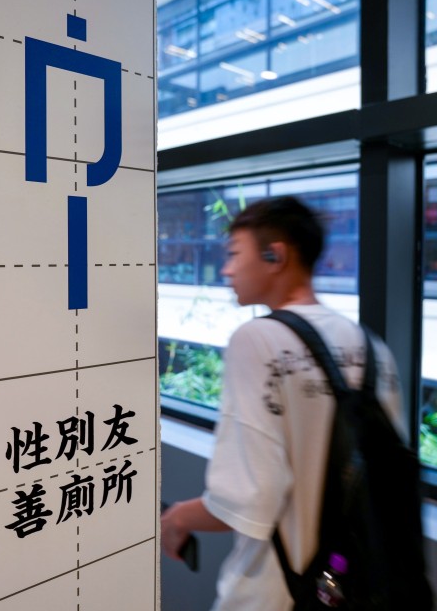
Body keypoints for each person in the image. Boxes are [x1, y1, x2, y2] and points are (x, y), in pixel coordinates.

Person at [160, 196, 406, 611]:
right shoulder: (372, 348)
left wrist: (177, 520)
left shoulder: (258, 340)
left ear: (275, 255)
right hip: (360, 583)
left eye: (235, 254)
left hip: (276, 592)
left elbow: (247, 499)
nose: (227, 269)